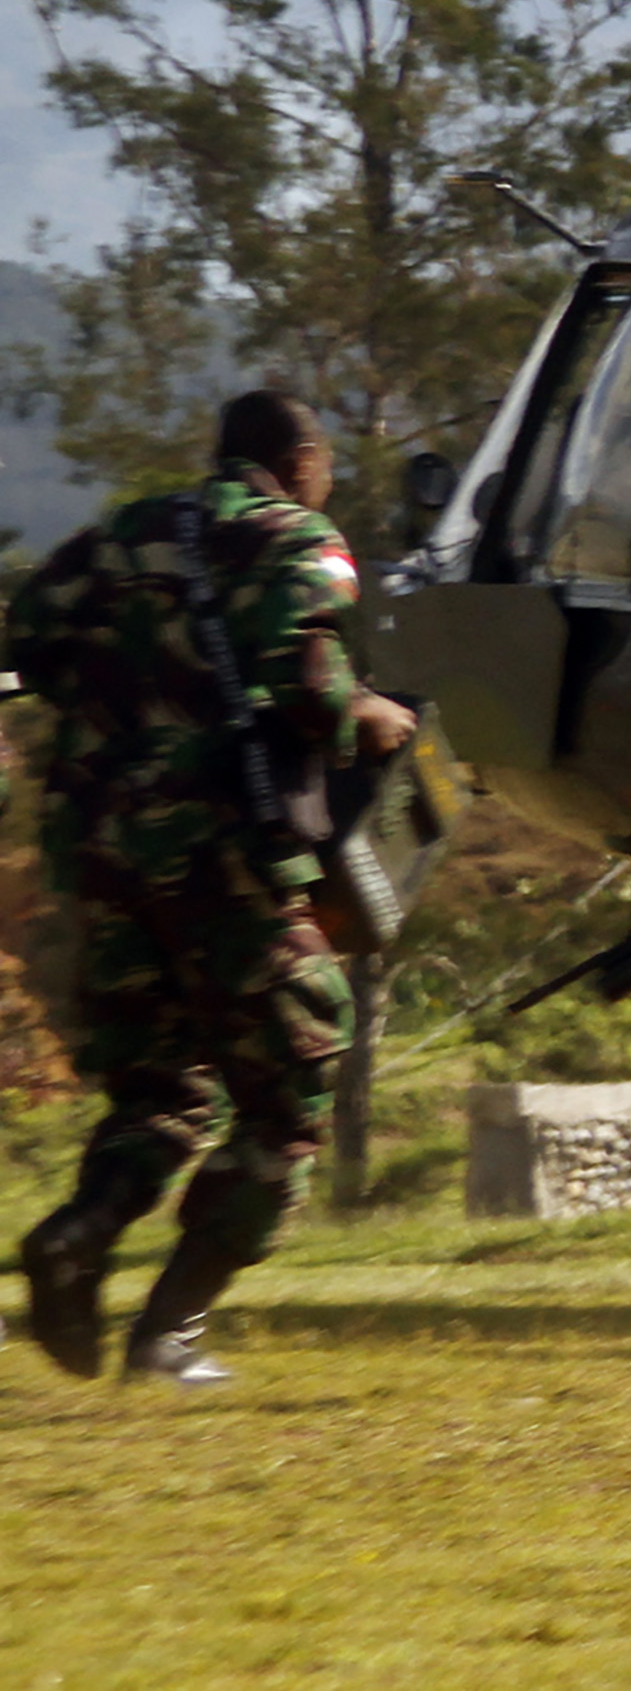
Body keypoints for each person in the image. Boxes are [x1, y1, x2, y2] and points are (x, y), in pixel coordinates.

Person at [11, 389, 413, 1386]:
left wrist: (131, 719)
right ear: (301, 460)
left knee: (160, 1090)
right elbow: (308, 680)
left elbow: (31, 642)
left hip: (105, 855)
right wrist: (372, 716)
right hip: (227, 858)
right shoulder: (297, 535)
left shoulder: (123, 531)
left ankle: (76, 1233)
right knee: (289, 1094)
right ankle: (170, 1329)